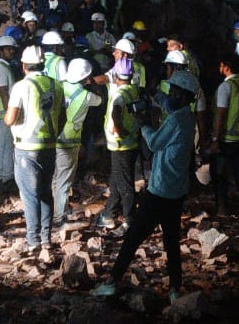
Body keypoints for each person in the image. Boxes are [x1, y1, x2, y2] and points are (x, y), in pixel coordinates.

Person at [91, 70, 199, 302]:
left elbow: (154, 143)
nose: (170, 94)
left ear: (182, 95)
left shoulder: (177, 119)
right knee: (171, 242)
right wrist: (155, 96)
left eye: (174, 91)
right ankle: (174, 289)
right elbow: (166, 105)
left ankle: (112, 281)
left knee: (133, 237)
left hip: (161, 189)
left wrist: (143, 124)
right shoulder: (188, 116)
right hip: (177, 190)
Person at [5, 46, 65, 251]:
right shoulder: (56, 86)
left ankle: (33, 241)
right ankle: (46, 239)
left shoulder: (21, 87)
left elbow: (10, 119)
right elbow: (63, 118)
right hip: (49, 145)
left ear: (24, 66)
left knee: (30, 196)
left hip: (26, 147)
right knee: (46, 192)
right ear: (43, 64)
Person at [55, 58, 101, 226]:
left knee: (54, 177)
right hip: (70, 141)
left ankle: (52, 211)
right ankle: (59, 216)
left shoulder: (59, 86)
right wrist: (91, 83)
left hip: (53, 137)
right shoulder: (86, 95)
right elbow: (100, 100)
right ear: (86, 77)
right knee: (64, 180)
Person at [100, 58, 142, 230]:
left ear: (116, 75)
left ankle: (129, 219)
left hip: (120, 144)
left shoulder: (119, 94)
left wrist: (118, 129)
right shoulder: (134, 90)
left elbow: (116, 114)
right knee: (117, 180)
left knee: (124, 184)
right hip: (130, 142)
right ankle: (109, 214)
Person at [211, 52, 239, 218]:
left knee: (219, 175)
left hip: (227, 139)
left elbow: (221, 114)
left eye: (221, 65)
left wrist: (215, 139)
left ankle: (222, 210)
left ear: (226, 66)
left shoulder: (225, 87)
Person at [0, 36, 21, 187]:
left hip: (1, 112)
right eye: (8, 49)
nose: (11, 51)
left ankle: (0, 174)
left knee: (3, 144)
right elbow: (3, 91)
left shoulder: (1, 67)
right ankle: (6, 176)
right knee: (8, 145)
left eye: (12, 49)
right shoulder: (2, 68)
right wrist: (10, 112)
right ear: (0, 51)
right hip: (4, 112)